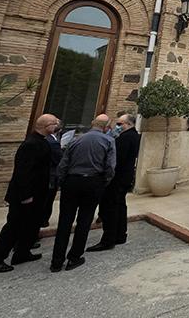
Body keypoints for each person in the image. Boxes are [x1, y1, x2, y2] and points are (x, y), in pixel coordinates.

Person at [0, 114, 58, 273]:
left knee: (31, 225)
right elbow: (22, 173)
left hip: (37, 194)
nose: (57, 126)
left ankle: (22, 253)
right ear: (46, 126)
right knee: (13, 227)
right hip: (25, 196)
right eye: (54, 123)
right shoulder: (31, 144)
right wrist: (26, 196)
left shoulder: (41, 142)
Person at [50, 115, 115, 272]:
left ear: (92, 124)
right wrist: (104, 182)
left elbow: (64, 163)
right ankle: (74, 257)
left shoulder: (76, 139)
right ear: (106, 127)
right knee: (84, 220)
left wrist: (62, 181)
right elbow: (110, 167)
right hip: (93, 182)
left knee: (65, 221)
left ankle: (56, 261)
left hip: (71, 182)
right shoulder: (108, 141)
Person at [88, 113, 141, 251]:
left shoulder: (125, 138)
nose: (116, 127)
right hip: (125, 178)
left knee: (110, 208)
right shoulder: (134, 136)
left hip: (117, 178)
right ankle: (120, 234)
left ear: (128, 124)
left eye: (119, 124)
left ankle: (108, 239)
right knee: (120, 206)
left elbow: (115, 160)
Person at [40, 118, 64, 229]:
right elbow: (59, 160)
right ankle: (43, 221)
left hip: (46, 176)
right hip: (50, 177)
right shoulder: (52, 142)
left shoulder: (46, 140)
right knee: (47, 201)